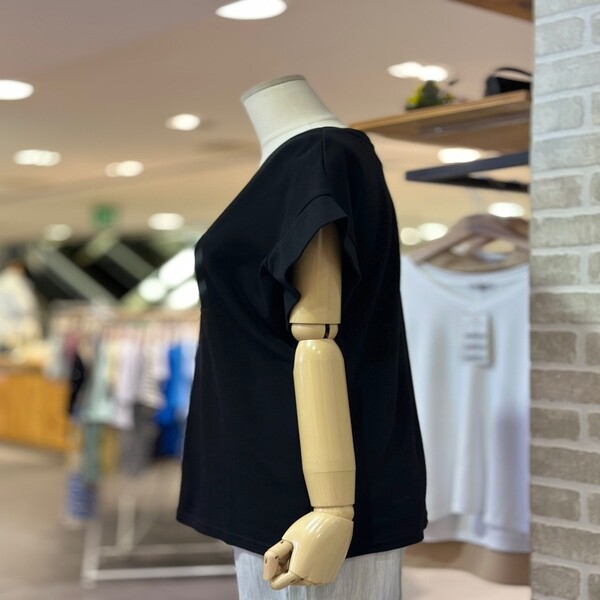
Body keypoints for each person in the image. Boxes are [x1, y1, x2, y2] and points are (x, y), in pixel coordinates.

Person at [177, 75, 427, 599]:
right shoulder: (304, 162)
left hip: (306, 496)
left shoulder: (320, 156)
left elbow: (317, 337)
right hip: (276, 476)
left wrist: (333, 509)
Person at [0, 258, 42, 352]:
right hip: (14, 329)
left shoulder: (2, 280)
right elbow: (25, 306)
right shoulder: (16, 282)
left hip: (5, 328)